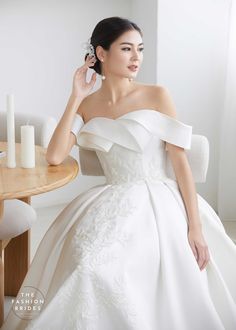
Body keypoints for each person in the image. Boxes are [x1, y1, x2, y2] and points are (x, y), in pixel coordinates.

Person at [2, 16, 236, 330]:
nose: (137, 57)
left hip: (159, 202)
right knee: (86, 266)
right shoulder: (88, 104)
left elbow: (179, 162)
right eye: (126, 49)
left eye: (139, 49)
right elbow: (56, 154)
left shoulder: (156, 95)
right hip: (111, 197)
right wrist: (76, 96)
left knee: (116, 269)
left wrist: (195, 227)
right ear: (101, 53)